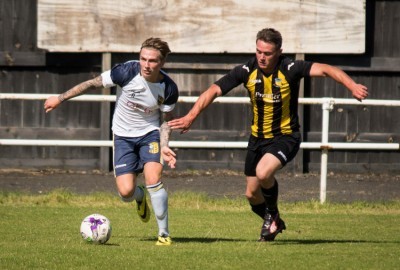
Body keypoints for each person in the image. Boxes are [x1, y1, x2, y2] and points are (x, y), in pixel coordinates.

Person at [168, 28, 368, 242]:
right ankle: (275, 222)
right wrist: (191, 116)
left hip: (285, 136)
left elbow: (327, 69)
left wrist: (352, 85)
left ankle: (272, 215)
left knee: (264, 173)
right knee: (252, 195)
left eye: (268, 53)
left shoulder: (290, 68)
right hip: (257, 139)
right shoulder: (247, 70)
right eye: (258, 51)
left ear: (279, 52)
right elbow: (214, 90)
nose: (262, 57)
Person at [44, 37, 179, 246]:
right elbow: (92, 83)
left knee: (154, 178)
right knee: (126, 193)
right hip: (123, 136)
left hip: (148, 134)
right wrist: (60, 98)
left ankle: (164, 234)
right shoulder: (125, 72)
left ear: (162, 63)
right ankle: (139, 196)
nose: (146, 64)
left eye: (152, 61)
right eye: (143, 59)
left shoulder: (168, 88)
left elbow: (166, 122)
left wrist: (164, 145)